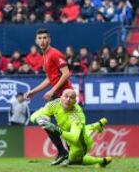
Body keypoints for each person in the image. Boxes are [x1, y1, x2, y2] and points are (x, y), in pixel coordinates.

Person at [25, 28, 73, 166]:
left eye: (45, 37)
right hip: (57, 95)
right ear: (36, 41)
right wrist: (34, 91)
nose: (42, 40)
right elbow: (49, 78)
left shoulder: (54, 53)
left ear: (49, 39)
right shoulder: (45, 56)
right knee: (43, 120)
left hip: (65, 95)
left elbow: (66, 73)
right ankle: (63, 152)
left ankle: (68, 153)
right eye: (40, 38)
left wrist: (52, 91)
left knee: (64, 126)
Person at [31, 89, 112, 167]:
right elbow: (33, 116)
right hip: (70, 133)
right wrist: (39, 119)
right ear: (61, 97)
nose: (68, 99)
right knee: (47, 125)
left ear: (75, 102)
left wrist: (56, 129)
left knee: (75, 161)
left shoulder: (76, 115)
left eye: (72, 98)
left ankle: (103, 160)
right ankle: (99, 124)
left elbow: (74, 138)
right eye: (66, 96)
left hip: (80, 144)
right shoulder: (55, 104)